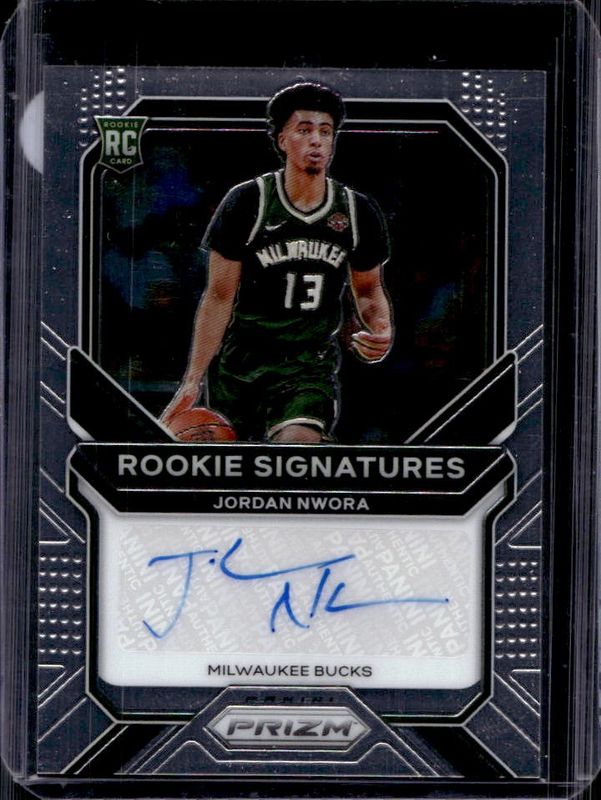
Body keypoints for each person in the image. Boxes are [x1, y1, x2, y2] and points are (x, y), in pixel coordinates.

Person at [162, 82, 393, 442]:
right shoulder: (247, 202)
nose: (316, 140)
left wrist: (381, 326)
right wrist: (192, 380)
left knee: (296, 447)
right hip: (239, 365)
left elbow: (367, 289)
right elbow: (219, 296)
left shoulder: (356, 210)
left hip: (306, 366)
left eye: (325, 132)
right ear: (282, 139)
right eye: (305, 130)